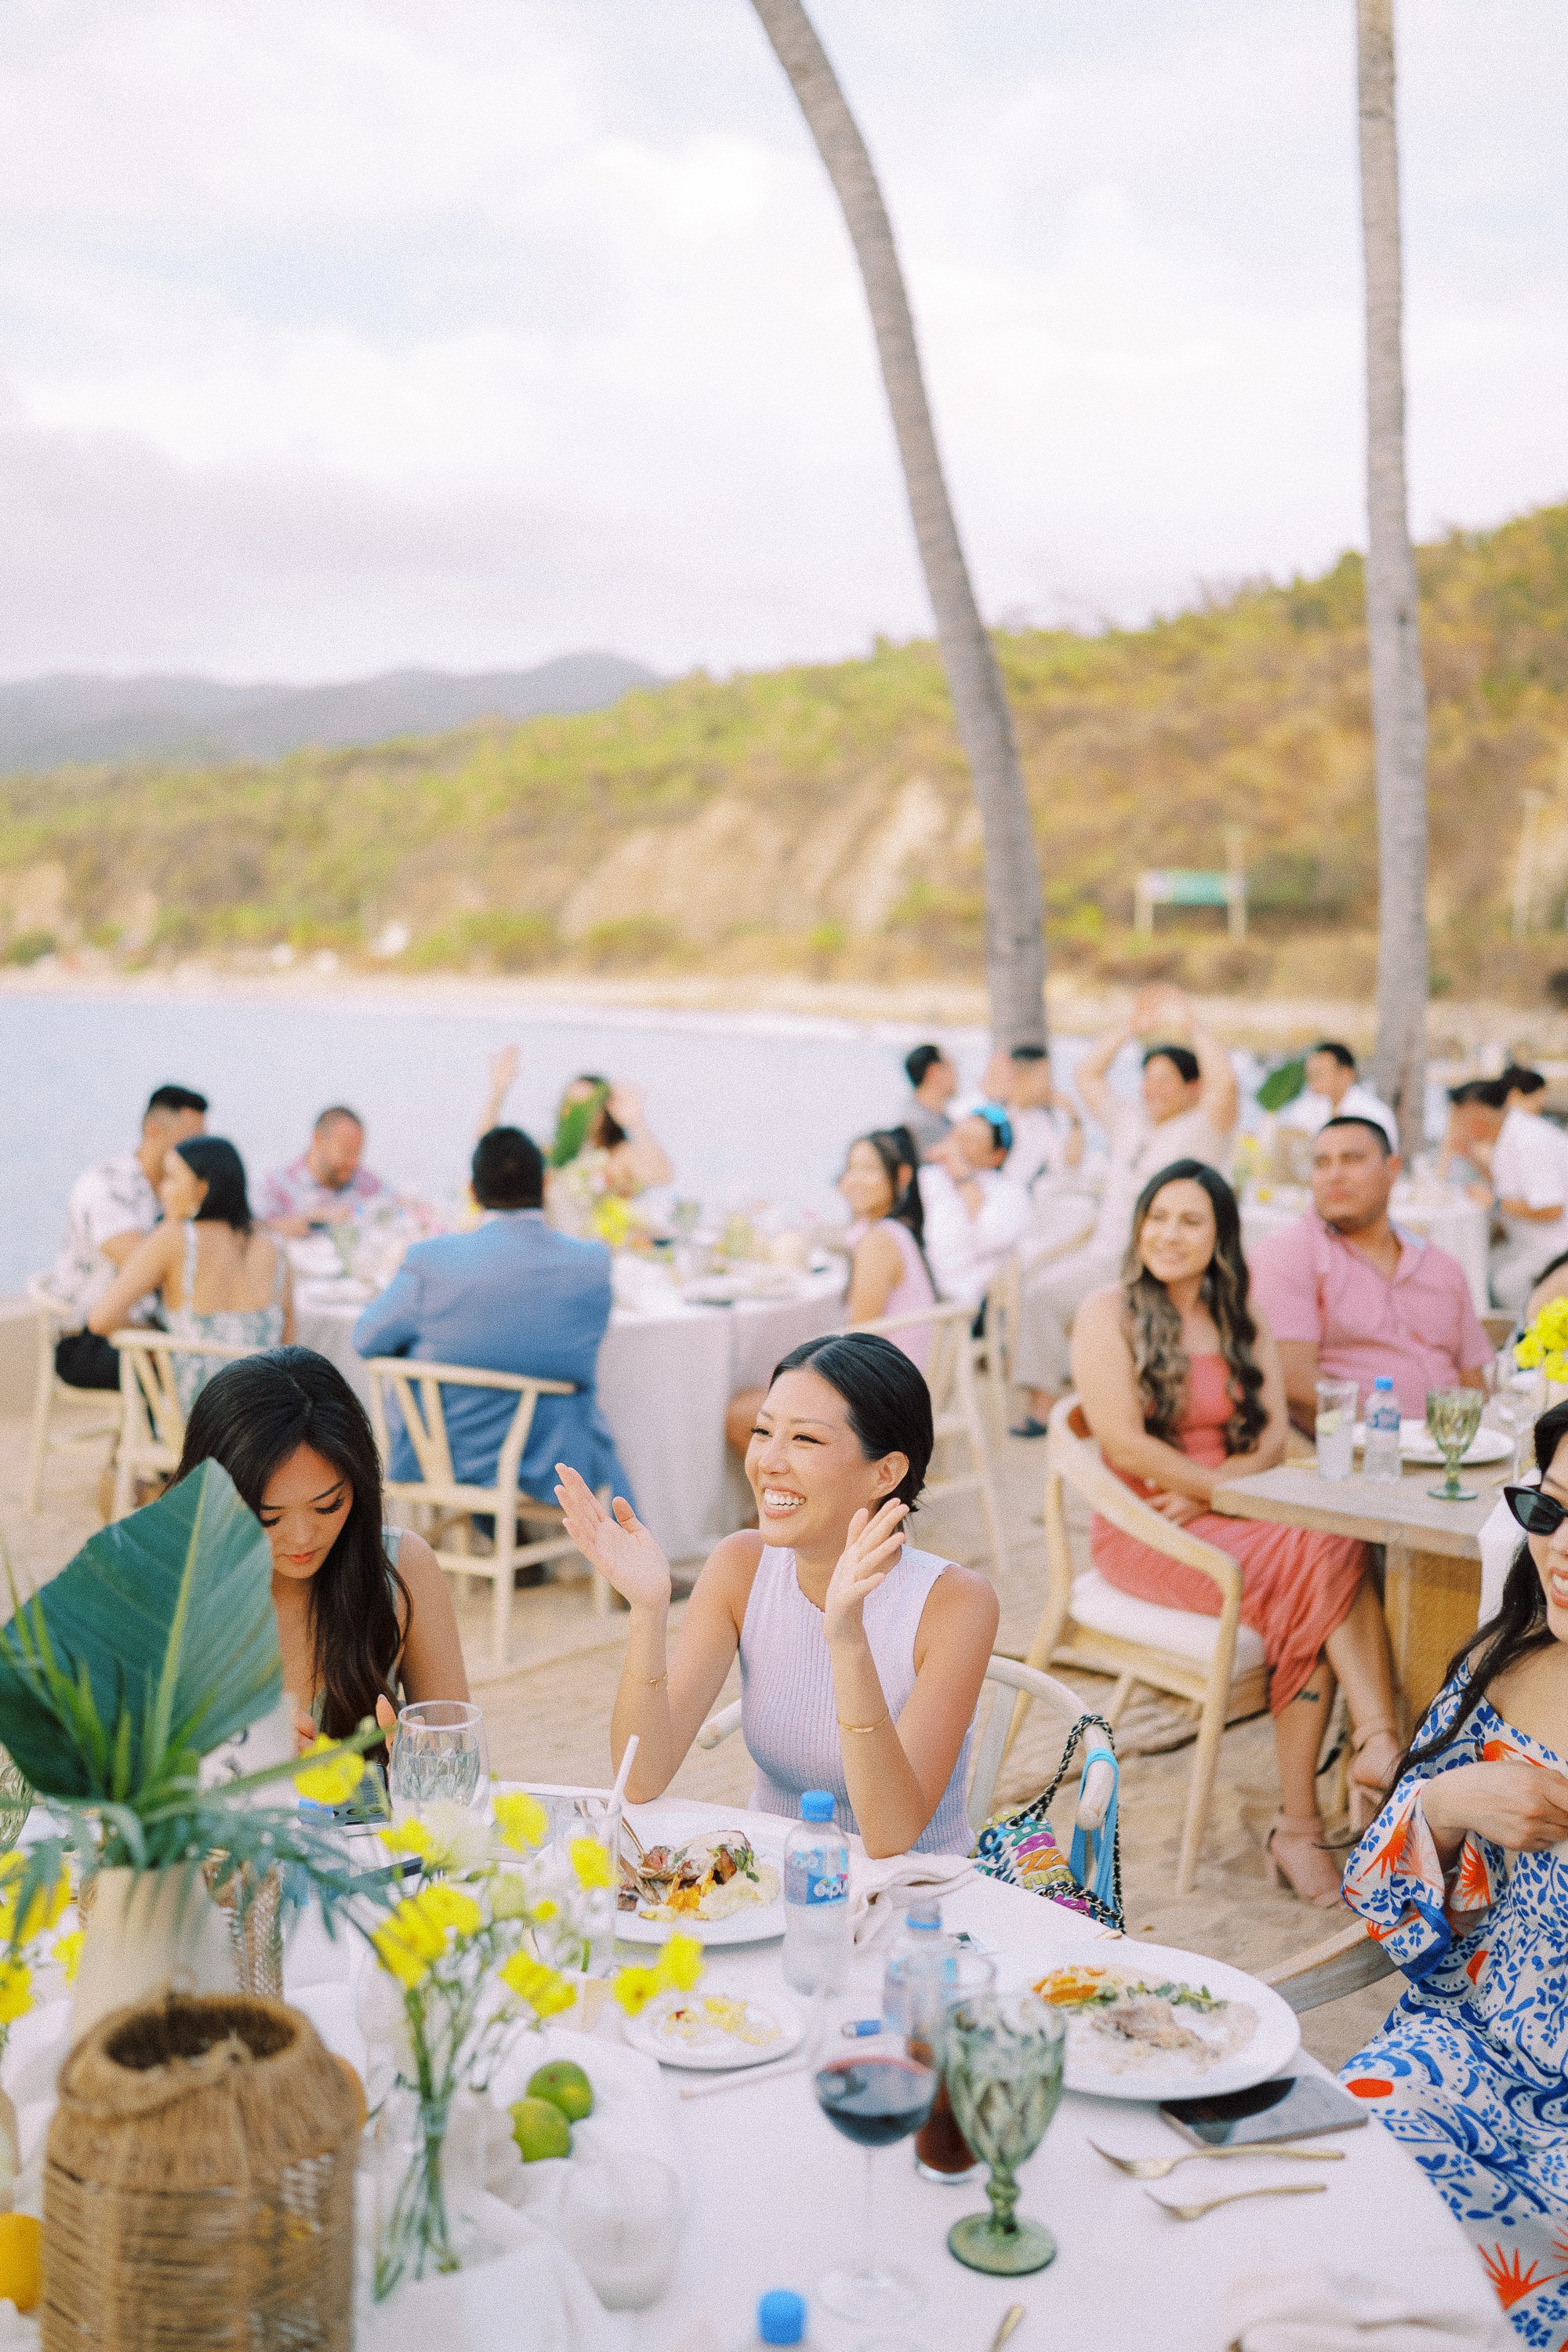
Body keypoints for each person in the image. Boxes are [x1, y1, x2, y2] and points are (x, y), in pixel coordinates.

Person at [1073, 1160, 1401, 1904]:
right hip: (1150, 1527)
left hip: (1233, 1516)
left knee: (1320, 1571)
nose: (1169, 1234)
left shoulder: (1237, 1315)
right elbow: (1124, 1446)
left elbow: (1275, 1440)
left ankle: (1304, 1820)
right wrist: (1215, 1492)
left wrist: (1231, 1495)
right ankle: (1372, 1751)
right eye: (1158, 1217)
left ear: (1220, 1235)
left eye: (1191, 1220)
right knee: (1327, 1553)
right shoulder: (1108, 1311)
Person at [556, 1331, 998, 1857]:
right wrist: (647, 1612)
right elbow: (641, 1779)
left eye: (805, 1440)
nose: (767, 1461)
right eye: (763, 1432)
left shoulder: (955, 1603)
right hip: (768, 1885)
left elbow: (891, 1835)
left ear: (886, 1472)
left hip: (914, 1905)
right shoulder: (740, 1566)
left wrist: (847, 1639)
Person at [1338, 1397, 1568, 2341]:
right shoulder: (1505, 1668)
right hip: (1460, 2057)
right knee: (1313, 2193)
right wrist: (1441, 1807)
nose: (1558, 1547)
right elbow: (1380, 1894)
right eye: (1549, 1511)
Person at [173, 1346, 466, 1748]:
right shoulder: (158, 1585)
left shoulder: (400, 1569)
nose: (302, 1538)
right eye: (268, 1517)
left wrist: (416, 1765)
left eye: (329, 1505)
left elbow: (458, 1759)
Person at [353, 1122, 631, 1507]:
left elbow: (366, 1340)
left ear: (472, 1191)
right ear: (546, 1183)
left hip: (446, 1455)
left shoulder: (430, 1262)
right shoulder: (592, 1264)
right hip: (555, 1461)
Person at [1011, 984, 1240, 1432]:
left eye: (1164, 1080)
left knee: (1071, 1304)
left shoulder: (1205, 1128)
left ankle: (1079, 1406)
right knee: (1040, 1290)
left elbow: (1226, 1083)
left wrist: (1191, 1023)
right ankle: (1054, 1401)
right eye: (1147, 1078)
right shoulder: (1129, 1119)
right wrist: (1129, 1029)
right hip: (1104, 1254)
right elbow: (1087, 1075)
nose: (1151, 1089)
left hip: (1157, 1259)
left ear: (1193, 1088)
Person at [1249, 1116, 1490, 1431]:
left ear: (1392, 1170)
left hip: (1453, 1448)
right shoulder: (1287, 1253)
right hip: (1354, 1454)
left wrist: (1475, 1441)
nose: (1334, 1175)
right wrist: (1392, 1437)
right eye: (1322, 1163)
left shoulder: (1441, 1265)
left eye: (1352, 1160)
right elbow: (1293, 1382)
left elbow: (1474, 1380)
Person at [724, 1129, 937, 1456]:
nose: (855, 1179)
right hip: (897, 1380)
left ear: (900, 1176)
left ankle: (790, 1504)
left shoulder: (878, 1242)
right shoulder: (893, 1232)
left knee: (741, 1414)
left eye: (869, 1169)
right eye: (851, 1168)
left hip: (884, 1397)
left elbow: (859, 1340)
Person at [88, 1137, 292, 1412]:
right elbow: (289, 1341)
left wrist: (156, 1337)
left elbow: (101, 1319)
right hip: (267, 1415)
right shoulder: (275, 1245)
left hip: (201, 1415)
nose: (162, 1190)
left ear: (202, 1188)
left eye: (171, 1179)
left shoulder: (174, 1238)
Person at [49, 1083, 209, 1389]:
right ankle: (174, 1436)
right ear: (154, 1131)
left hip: (155, 1329)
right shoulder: (104, 1185)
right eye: (190, 1140)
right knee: (195, 1361)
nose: (198, 1152)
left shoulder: (178, 1189)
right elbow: (145, 1263)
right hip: (90, 1337)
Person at [1446, 1075, 1568, 1319]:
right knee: (1474, 1269)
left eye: (1459, 1118)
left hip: (1554, 1250)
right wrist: (1471, 1157)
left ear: (1477, 1114)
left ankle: (1523, 1339)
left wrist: (1496, 1203)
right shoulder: (1510, 1133)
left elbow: (1552, 1209)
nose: (1456, 1126)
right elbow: (1513, 1185)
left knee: (1502, 1283)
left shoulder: (1529, 1141)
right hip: (1527, 1244)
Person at [918, 1109, 1028, 1312]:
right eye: (958, 1135)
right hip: (928, 1297)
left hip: (976, 1309)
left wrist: (964, 1179)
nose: (957, 1146)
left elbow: (990, 1238)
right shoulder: (930, 1177)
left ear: (997, 1156)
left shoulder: (1011, 1192)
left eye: (970, 1141)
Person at [258, 1107, 386, 1236]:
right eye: (346, 1152)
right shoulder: (278, 1186)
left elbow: (400, 1210)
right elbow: (250, 1230)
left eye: (357, 1153)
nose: (353, 1161)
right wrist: (308, 1220)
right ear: (318, 1140)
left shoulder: (368, 1183)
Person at [1281, 1040, 1399, 1150]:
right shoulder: (1313, 1104)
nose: (1312, 1081)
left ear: (1346, 1074)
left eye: (1319, 1073)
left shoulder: (1373, 1112)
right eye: (1310, 1075)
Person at [901, 1043, 959, 1160]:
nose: (956, 1074)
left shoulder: (938, 1117)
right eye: (950, 1066)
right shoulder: (918, 1125)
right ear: (933, 1071)